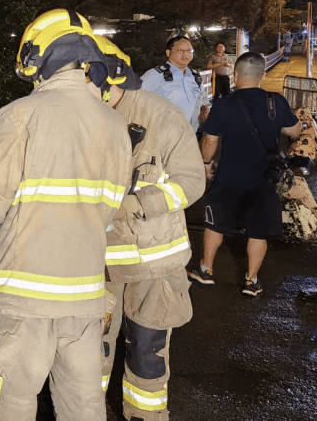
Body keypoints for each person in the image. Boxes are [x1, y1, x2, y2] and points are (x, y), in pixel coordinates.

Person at [0, 9, 137, 421]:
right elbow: (111, 208)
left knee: (11, 403)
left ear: (37, 58)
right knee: (83, 406)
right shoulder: (115, 125)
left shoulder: (22, 113)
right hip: (84, 294)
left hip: (23, 295)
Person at [101, 82, 205, 421]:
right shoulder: (78, 114)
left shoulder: (160, 116)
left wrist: (132, 205)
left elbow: (190, 181)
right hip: (100, 264)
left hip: (153, 263)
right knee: (90, 353)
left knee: (147, 351)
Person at [188, 52, 302, 296]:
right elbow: (293, 131)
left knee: (215, 223)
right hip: (264, 178)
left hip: (228, 176)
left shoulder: (224, 103)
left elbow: (209, 140)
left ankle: (206, 270)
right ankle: (251, 280)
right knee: (258, 230)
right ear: (262, 75)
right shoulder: (276, 101)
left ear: (235, 75)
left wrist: (206, 164)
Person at [141, 36, 210, 132]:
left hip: (191, 135)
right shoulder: (155, 75)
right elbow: (134, 99)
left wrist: (205, 107)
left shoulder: (195, 77)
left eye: (189, 50)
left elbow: (203, 97)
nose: (185, 54)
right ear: (168, 52)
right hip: (164, 137)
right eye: (180, 50)